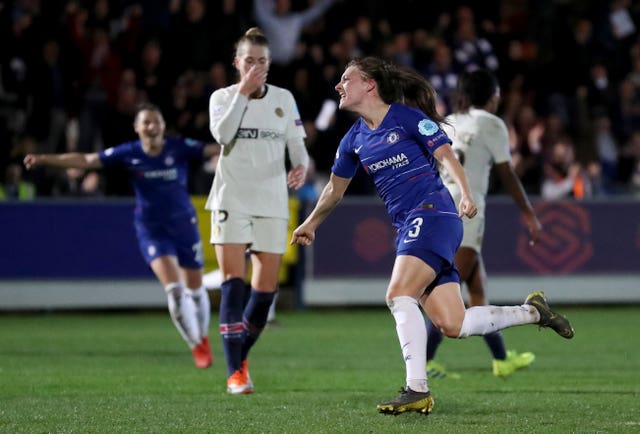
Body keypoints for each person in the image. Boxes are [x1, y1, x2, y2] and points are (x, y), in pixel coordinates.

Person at [290, 57, 574, 416]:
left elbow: (445, 153)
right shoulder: (353, 139)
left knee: (397, 294)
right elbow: (334, 188)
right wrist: (312, 223)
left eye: (346, 79)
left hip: (434, 213)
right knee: (453, 324)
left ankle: (416, 389)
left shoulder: (406, 117)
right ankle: (533, 313)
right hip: (411, 224)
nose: (338, 86)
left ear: (369, 85)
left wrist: (467, 194)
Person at [23, 103, 220, 369]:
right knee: (174, 291)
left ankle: (203, 337)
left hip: (184, 225)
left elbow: (215, 148)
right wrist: (46, 159)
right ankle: (196, 345)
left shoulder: (179, 147)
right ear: (137, 127)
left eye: (156, 121)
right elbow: (88, 160)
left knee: (195, 290)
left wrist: (245, 143)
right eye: (146, 122)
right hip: (152, 229)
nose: (152, 126)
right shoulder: (129, 153)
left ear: (163, 125)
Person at [206, 27, 309, 395]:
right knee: (233, 286)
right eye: (249, 60)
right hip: (231, 198)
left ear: (269, 63)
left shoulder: (284, 98)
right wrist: (244, 93)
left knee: (264, 295)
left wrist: (300, 165)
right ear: (237, 63)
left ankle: (239, 356)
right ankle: (236, 373)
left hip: (272, 201)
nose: (255, 67)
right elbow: (222, 135)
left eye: (262, 61)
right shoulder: (222, 97)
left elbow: (297, 143)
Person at [425, 69, 543, 380]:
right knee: (448, 292)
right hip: (467, 210)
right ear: (492, 97)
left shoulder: (450, 121)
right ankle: (422, 362)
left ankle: (501, 359)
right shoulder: (491, 123)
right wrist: (529, 212)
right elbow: (507, 172)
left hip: (440, 204)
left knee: (477, 291)